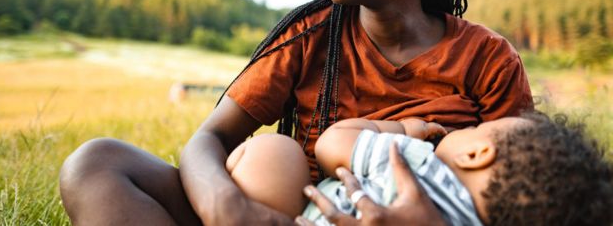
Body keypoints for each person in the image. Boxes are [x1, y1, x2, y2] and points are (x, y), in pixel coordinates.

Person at [58, 0, 534, 224]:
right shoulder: (311, 34)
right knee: (97, 164)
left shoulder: (485, 57)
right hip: (293, 213)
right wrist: (231, 207)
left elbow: (532, 182)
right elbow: (209, 139)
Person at [227, 112, 613, 226]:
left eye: (476, 129)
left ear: (477, 154)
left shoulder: (418, 164)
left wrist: (402, 129)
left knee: (272, 153)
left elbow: (331, 145)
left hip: (293, 216)